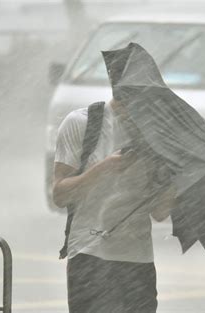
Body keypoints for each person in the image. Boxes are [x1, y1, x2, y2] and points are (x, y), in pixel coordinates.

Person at [52, 95, 175, 312]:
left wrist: (175, 179)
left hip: (138, 261)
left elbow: (160, 212)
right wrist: (104, 168)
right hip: (89, 255)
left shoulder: (156, 137)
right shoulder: (83, 122)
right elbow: (60, 195)